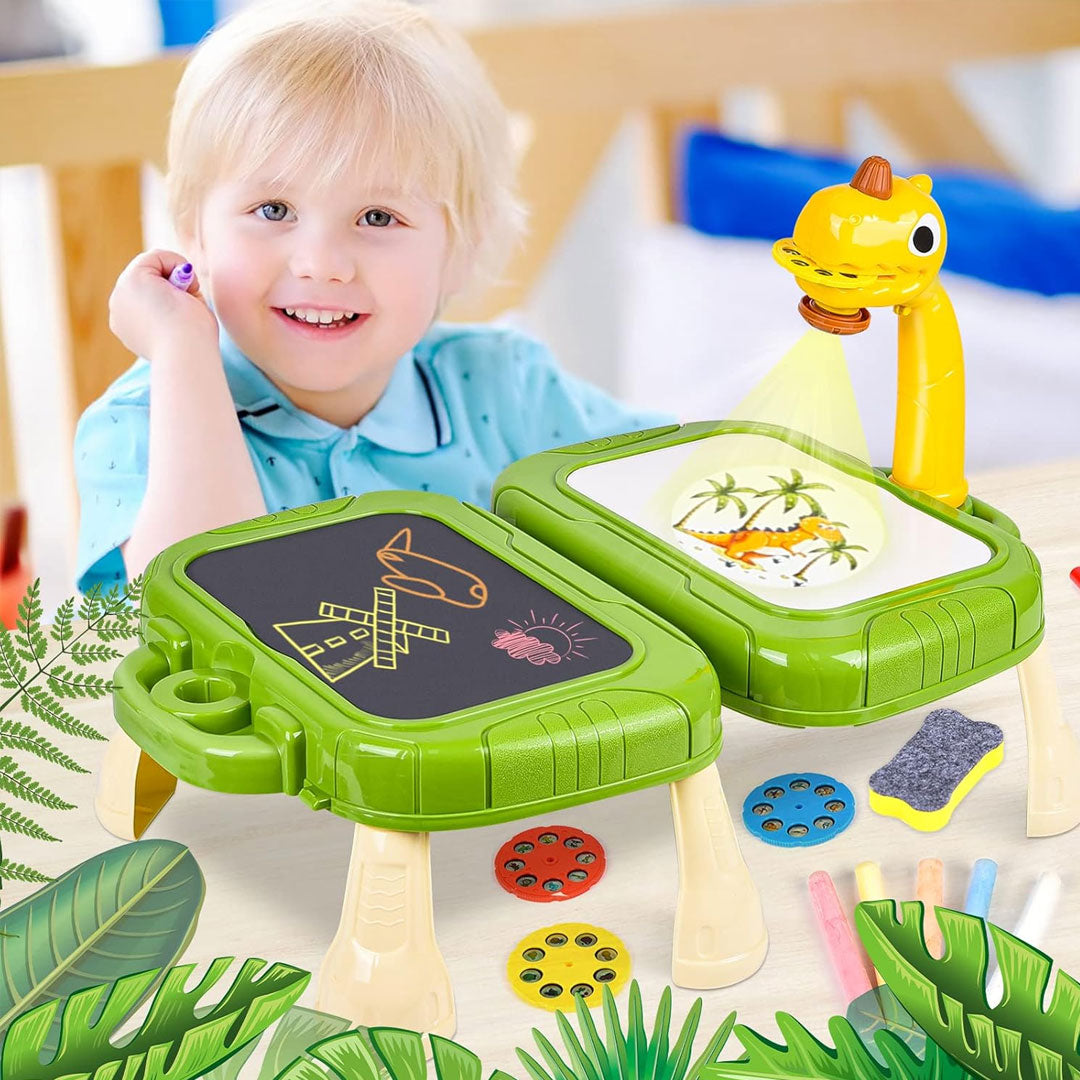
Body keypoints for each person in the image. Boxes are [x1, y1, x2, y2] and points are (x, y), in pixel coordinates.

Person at [73, 0, 673, 595]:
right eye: (274, 210)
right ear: (194, 233)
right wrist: (182, 351)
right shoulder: (143, 425)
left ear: (461, 249)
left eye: (378, 216)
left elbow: (682, 486)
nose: (322, 264)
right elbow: (199, 604)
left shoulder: (508, 388)